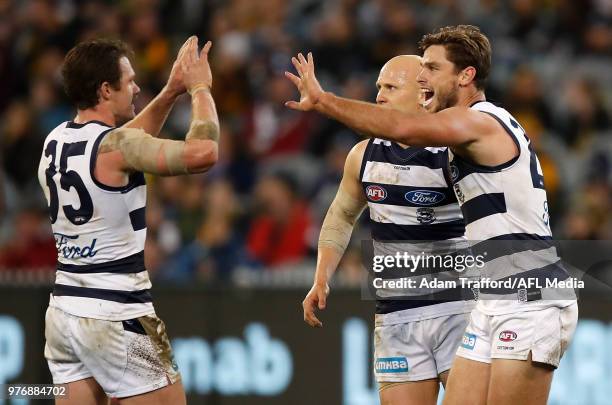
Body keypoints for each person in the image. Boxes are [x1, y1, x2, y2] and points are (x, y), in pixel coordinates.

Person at [287, 25, 577, 405]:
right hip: (488, 298)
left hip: (527, 293)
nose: (424, 77)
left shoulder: (479, 121)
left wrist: (325, 102)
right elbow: (345, 211)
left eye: (433, 68)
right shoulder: (457, 132)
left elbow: (407, 128)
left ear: (466, 75)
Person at [37, 36, 219, 405]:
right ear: (106, 89)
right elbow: (204, 153)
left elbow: (124, 140)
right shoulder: (115, 148)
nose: (136, 86)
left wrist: (170, 91)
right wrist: (200, 88)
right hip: (118, 314)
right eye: (130, 80)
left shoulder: (55, 140)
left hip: (64, 312)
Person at [302, 55, 473, 405]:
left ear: (423, 94)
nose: (379, 95)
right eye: (379, 86)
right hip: (396, 314)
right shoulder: (362, 156)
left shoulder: (456, 150)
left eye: (391, 87)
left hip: (460, 308)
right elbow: (341, 216)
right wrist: (322, 276)